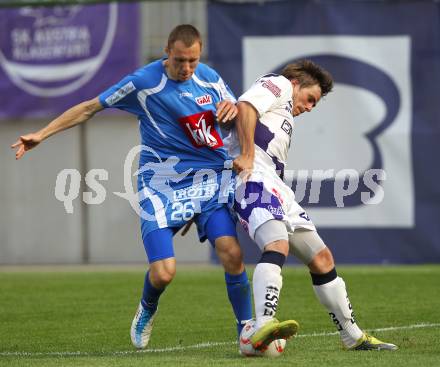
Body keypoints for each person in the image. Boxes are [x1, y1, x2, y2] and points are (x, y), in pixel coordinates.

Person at [11, 24, 261, 351]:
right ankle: (147, 307)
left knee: (231, 252)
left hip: (209, 179)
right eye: (180, 60)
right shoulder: (142, 83)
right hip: (162, 184)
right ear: (167, 53)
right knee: (164, 272)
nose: (187, 68)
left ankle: (247, 331)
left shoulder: (209, 78)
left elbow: (240, 112)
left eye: (193, 61)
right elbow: (89, 107)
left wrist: (233, 117)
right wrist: (41, 134)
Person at [230, 60, 398, 351]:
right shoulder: (280, 84)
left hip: (277, 188)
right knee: (277, 244)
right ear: (297, 82)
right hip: (253, 179)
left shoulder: (285, 114)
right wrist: (245, 154)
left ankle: (352, 335)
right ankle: (263, 324)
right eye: (310, 99)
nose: (309, 107)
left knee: (322, 259)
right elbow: (246, 107)